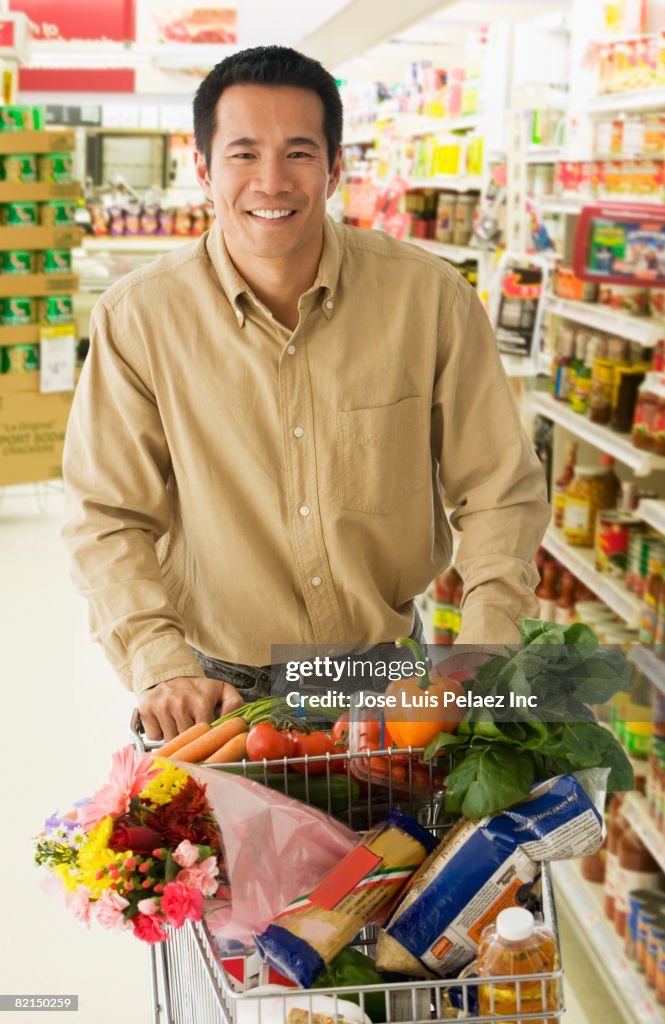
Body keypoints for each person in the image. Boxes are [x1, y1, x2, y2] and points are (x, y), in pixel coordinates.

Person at [62, 45, 551, 741]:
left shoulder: (428, 299)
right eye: (242, 154)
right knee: (221, 855)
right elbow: (106, 514)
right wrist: (156, 659)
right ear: (202, 169)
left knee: (394, 852)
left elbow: (499, 489)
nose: (271, 181)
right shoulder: (138, 317)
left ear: (334, 166)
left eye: (297, 152)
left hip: (384, 678)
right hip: (218, 691)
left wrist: (486, 643)